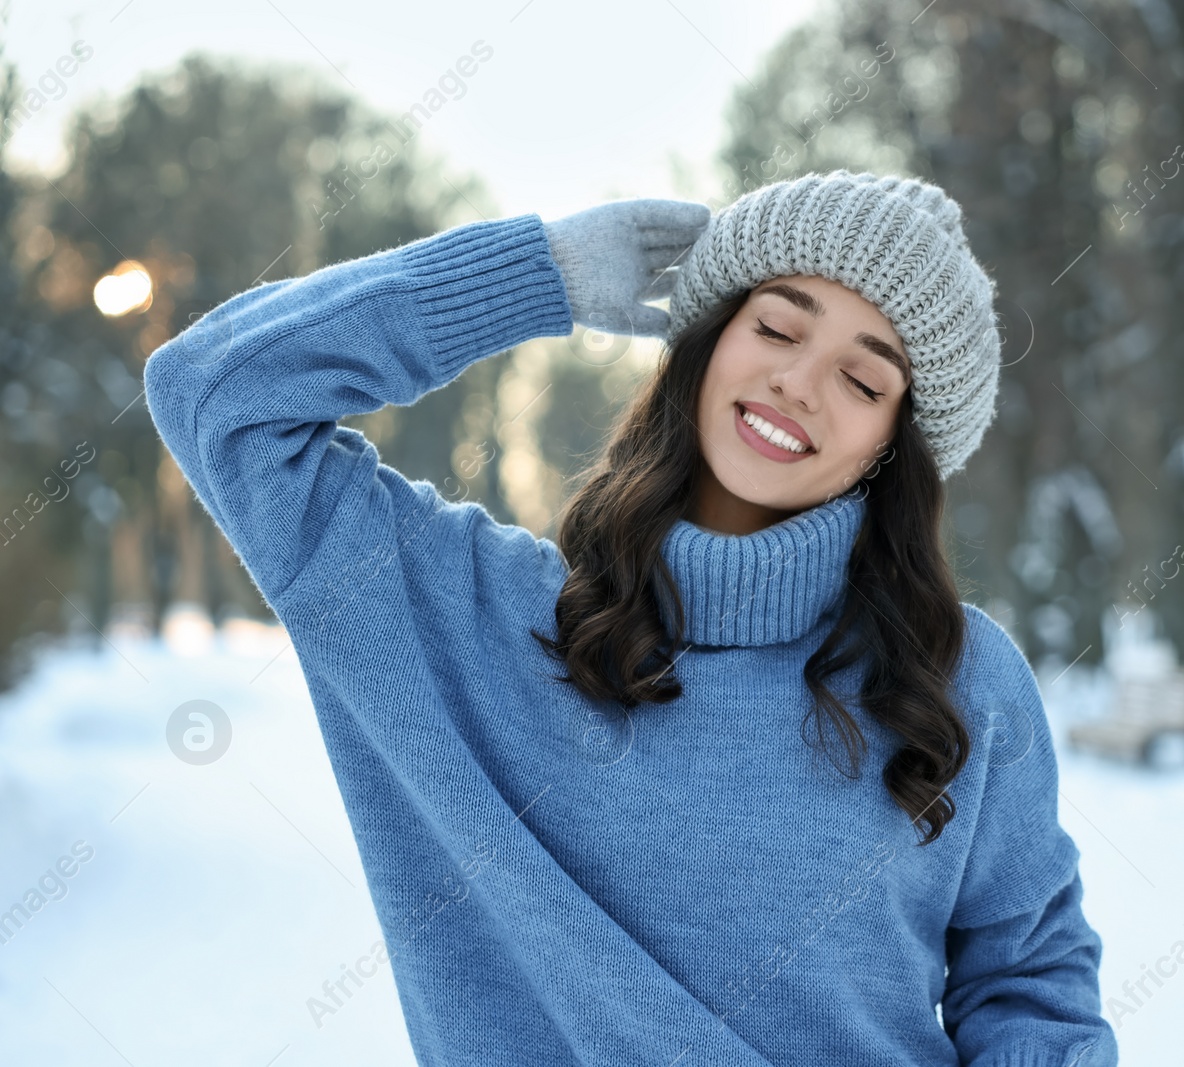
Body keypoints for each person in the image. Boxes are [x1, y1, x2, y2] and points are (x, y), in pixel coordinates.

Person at [145, 169, 1117, 1066]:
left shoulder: (957, 679)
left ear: (889, 447)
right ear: (704, 343)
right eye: (776, 328)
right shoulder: (465, 618)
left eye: (863, 380)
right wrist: (539, 276)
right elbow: (219, 393)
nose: (798, 382)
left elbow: (1030, 982)